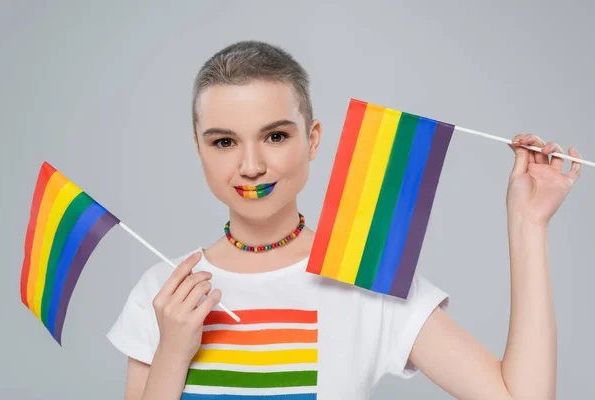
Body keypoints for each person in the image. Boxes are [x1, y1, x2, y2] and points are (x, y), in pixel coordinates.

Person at [106, 40, 583, 400]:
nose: (250, 165)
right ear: (199, 148)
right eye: (224, 141)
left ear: (313, 139)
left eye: (274, 136)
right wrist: (172, 351)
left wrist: (529, 223)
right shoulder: (164, 291)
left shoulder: (366, 275)